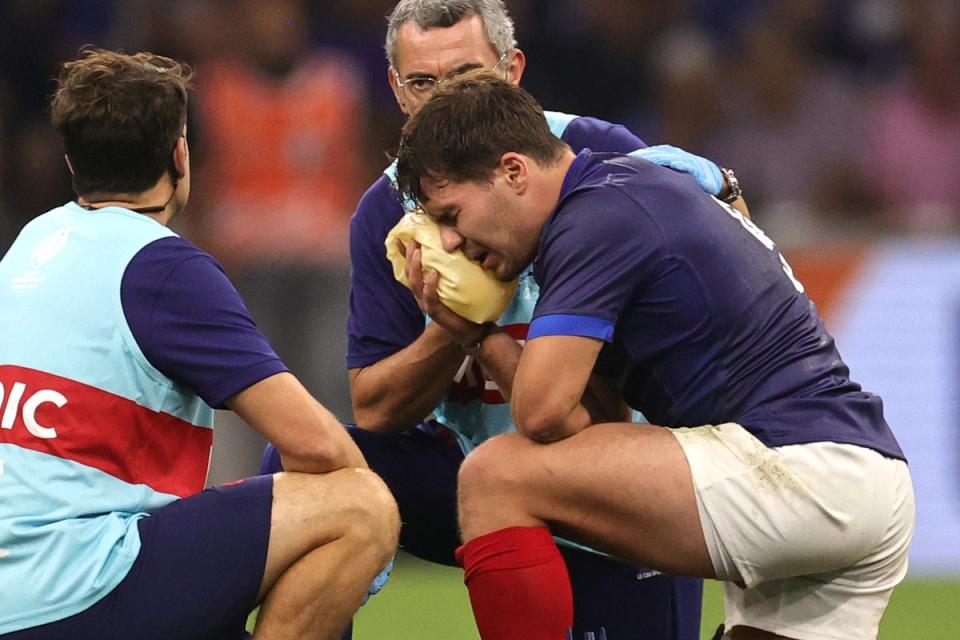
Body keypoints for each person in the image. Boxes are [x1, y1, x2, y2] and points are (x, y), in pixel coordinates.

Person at [264, 1, 745, 637]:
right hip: (468, 470)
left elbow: (603, 412)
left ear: (512, 69)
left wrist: (725, 188)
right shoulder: (385, 209)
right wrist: (447, 327)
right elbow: (375, 407)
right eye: (422, 83)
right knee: (305, 463)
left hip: (607, 475)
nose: (442, 102)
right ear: (394, 89)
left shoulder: (596, 158)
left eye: (466, 76)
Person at [393, 73, 915, 640]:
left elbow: (540, 417)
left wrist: (476, 334)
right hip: (860, 481)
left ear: (514, 172)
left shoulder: (592, 220)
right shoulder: (622, 193)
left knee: (497, 476)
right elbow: (595, 421)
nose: (450, 242)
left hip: (799, 466)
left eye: (450, 214)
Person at [0, 48, 399, 640]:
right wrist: (369, 559)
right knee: (359, 506)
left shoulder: (31, 243)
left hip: (19, 592)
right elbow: (319, 448)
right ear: (180, 155)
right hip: (81, 586)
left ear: (70, 158)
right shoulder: (163, 267)